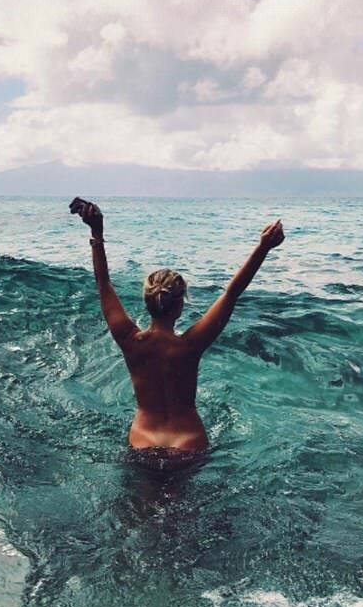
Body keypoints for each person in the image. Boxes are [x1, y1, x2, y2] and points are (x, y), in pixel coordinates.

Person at [69, 197, 285, 469]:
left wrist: (96, 232)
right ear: (180, 304)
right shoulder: (190, 345)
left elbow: (103, 283)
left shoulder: (130, 341)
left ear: (147, 302)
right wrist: (263, 247)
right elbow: (232, 292)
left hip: (143, 440)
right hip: (189, 441)